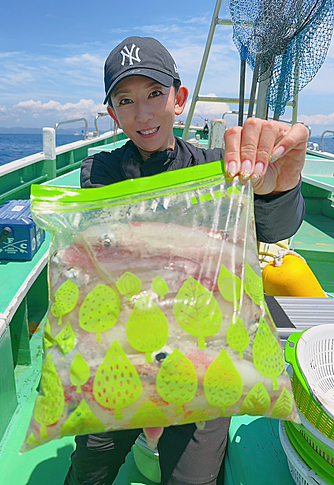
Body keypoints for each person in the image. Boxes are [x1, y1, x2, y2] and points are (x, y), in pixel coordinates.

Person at [64, 36, 308, 485]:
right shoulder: (98, 174)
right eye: (125, 101)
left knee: (193, 480)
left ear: (178, 100)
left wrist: (279, 187)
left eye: (155, 94)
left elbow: (274, 229)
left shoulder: (221, 171)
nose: (143, 113)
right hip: (122, 354)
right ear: (113, 114)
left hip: (201, 356)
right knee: (89, 468)